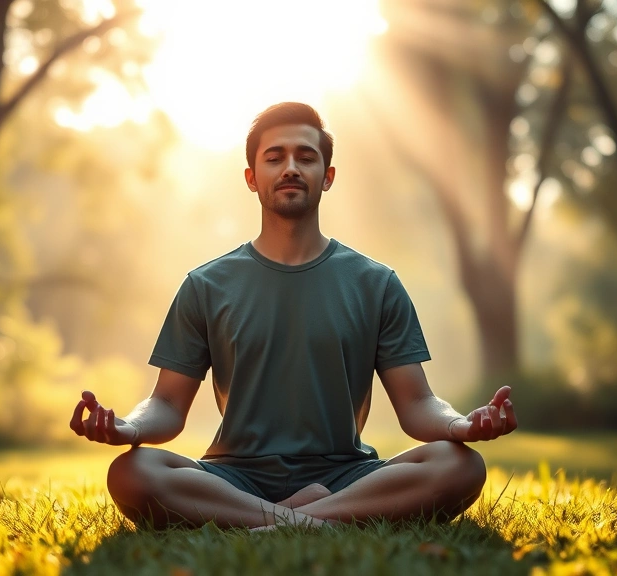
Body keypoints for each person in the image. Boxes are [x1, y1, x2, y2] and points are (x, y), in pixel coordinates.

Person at [69, 102, 518, 530]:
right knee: (131, 472)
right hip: (234, 477)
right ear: (251, 177)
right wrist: (129, 427)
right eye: (274, 157)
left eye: (306, 157)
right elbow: (167, 404)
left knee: (460, 465)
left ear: (327, 176)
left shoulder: (376, 284)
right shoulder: (206, 286)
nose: (290, 168)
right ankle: (315, 520)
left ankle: (268, 521)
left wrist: (458, 424)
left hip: (346, 474)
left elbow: (417, 403)